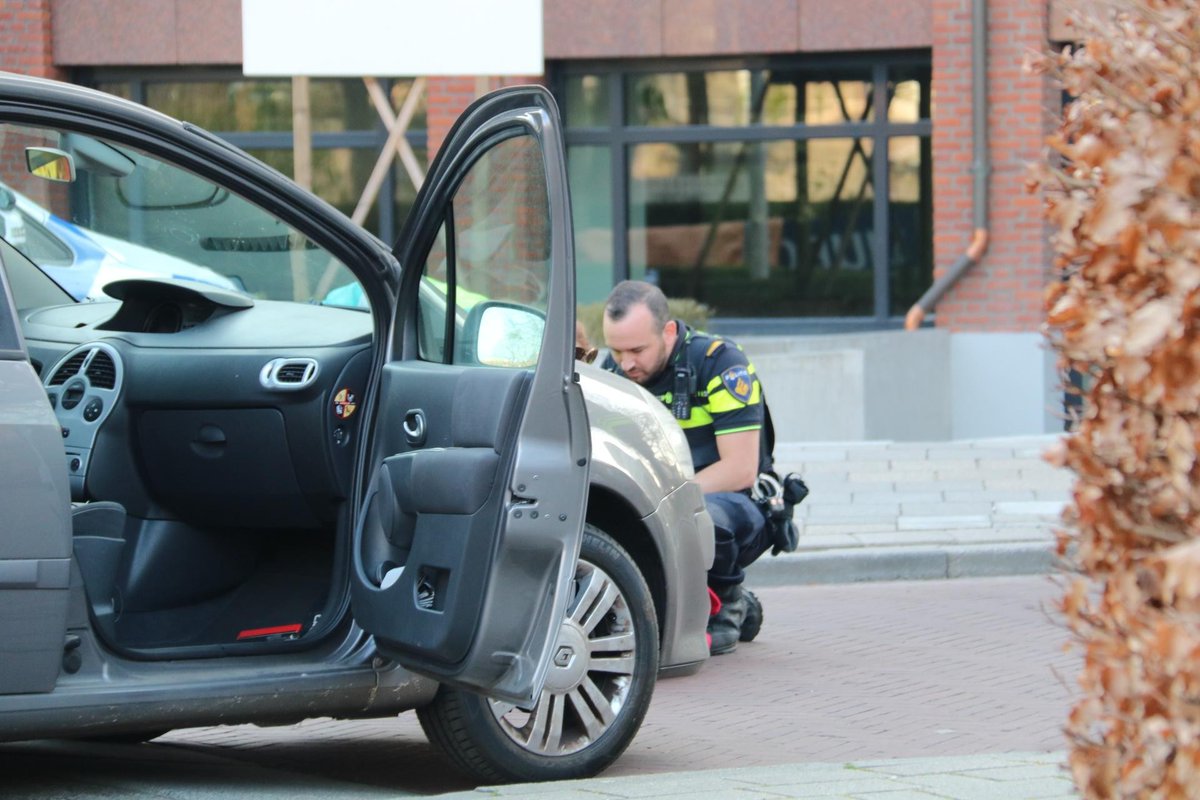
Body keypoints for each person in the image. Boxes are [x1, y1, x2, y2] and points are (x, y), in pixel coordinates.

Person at [600, 280, 771, 654]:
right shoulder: (612, 372)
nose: (626, 363)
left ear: (668, 331)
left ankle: (727, 600)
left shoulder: (720, 364)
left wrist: (663, 501)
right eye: (616, 350)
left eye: (637, 350)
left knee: (699, 517)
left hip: (729, 502)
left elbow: (741, 469)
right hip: (656, 499)